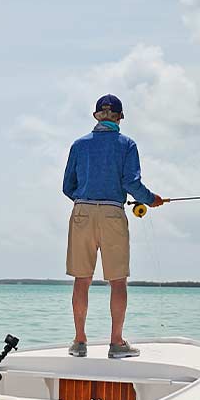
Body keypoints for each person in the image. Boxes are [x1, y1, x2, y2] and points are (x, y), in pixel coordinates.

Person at [61, 94, 165, 357]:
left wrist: (87, 200)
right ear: (120, 117)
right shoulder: (127, 144)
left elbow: (67, 187)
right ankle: (116, 343)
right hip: (112, 213)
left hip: (82, 212)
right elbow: (131, 182)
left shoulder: (78, 145)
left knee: (82, 279)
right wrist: (150, 199)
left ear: (96, 115)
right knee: (117, 281)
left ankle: (79, 342)